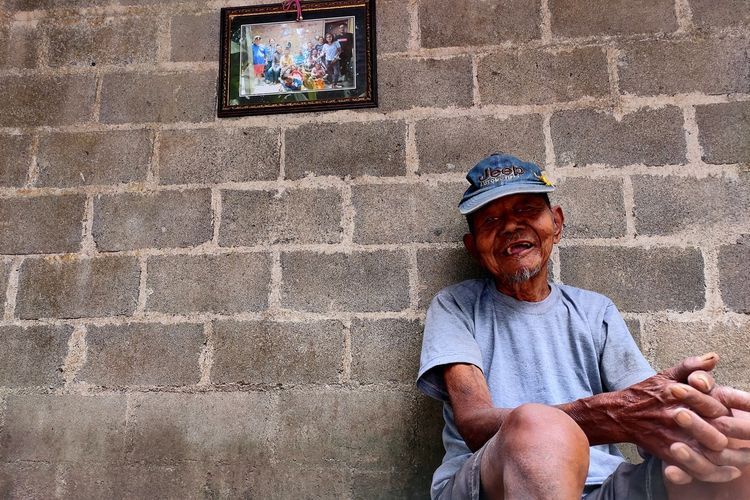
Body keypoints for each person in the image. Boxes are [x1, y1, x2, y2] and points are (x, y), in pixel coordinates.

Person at [417, 152, 750, 499]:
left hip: (604, 486)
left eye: (526, 210)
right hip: (487, 485)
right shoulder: (456, 306)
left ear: (557, 223)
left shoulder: (595, 310)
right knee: (535, 425)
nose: (511, 227)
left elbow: (644, 408)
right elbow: (474, 424)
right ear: (473, 248)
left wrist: (689, 414)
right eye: (491, 220)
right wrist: (606, 414)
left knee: (733, 438)